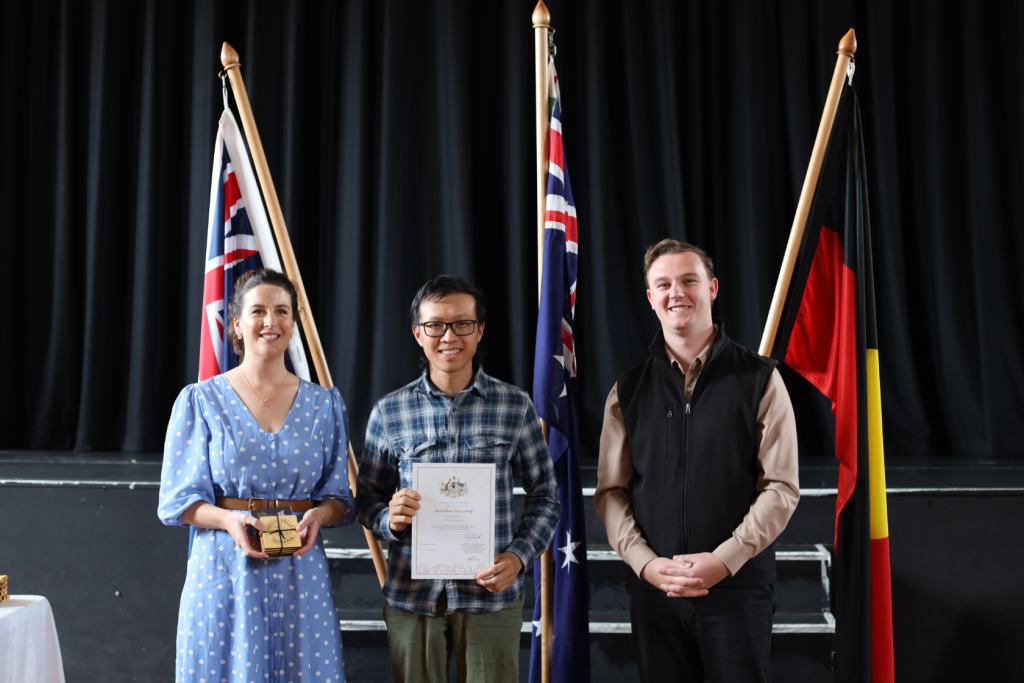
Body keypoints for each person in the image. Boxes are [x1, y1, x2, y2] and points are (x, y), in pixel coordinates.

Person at [594, 240, 800, 683]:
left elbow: (780, 488)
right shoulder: (628, 389)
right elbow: (611, 492)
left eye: (689, 280)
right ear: (650, 297)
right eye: (663, 284)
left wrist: (724, 560)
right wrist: (646, 564)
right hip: (656, 592)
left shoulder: (760, 378)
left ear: (712, 288)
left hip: (737, 587)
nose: (676, 293)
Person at [356, 275, 560, 683]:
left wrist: (518, 557)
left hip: (490, 597)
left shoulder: (514, 406)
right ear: (418, 333)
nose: (448, 336)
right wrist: (390, 520)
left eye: (461, 323)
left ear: (479, 330)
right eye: (435, 325)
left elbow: (546, 497)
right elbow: (367, 502)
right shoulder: (389, 412)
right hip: (413, 595)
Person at [158, 268, 356, 683]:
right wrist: (229, 520)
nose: (271, 321)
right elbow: (178, 502)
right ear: (236, 324)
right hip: (225, 565)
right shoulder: (200, 400)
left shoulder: (325, 404)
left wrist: (320, 515)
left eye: (282, 311)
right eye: (259, 311)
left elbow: (340, 497)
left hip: (301, 571)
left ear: (293, 323)